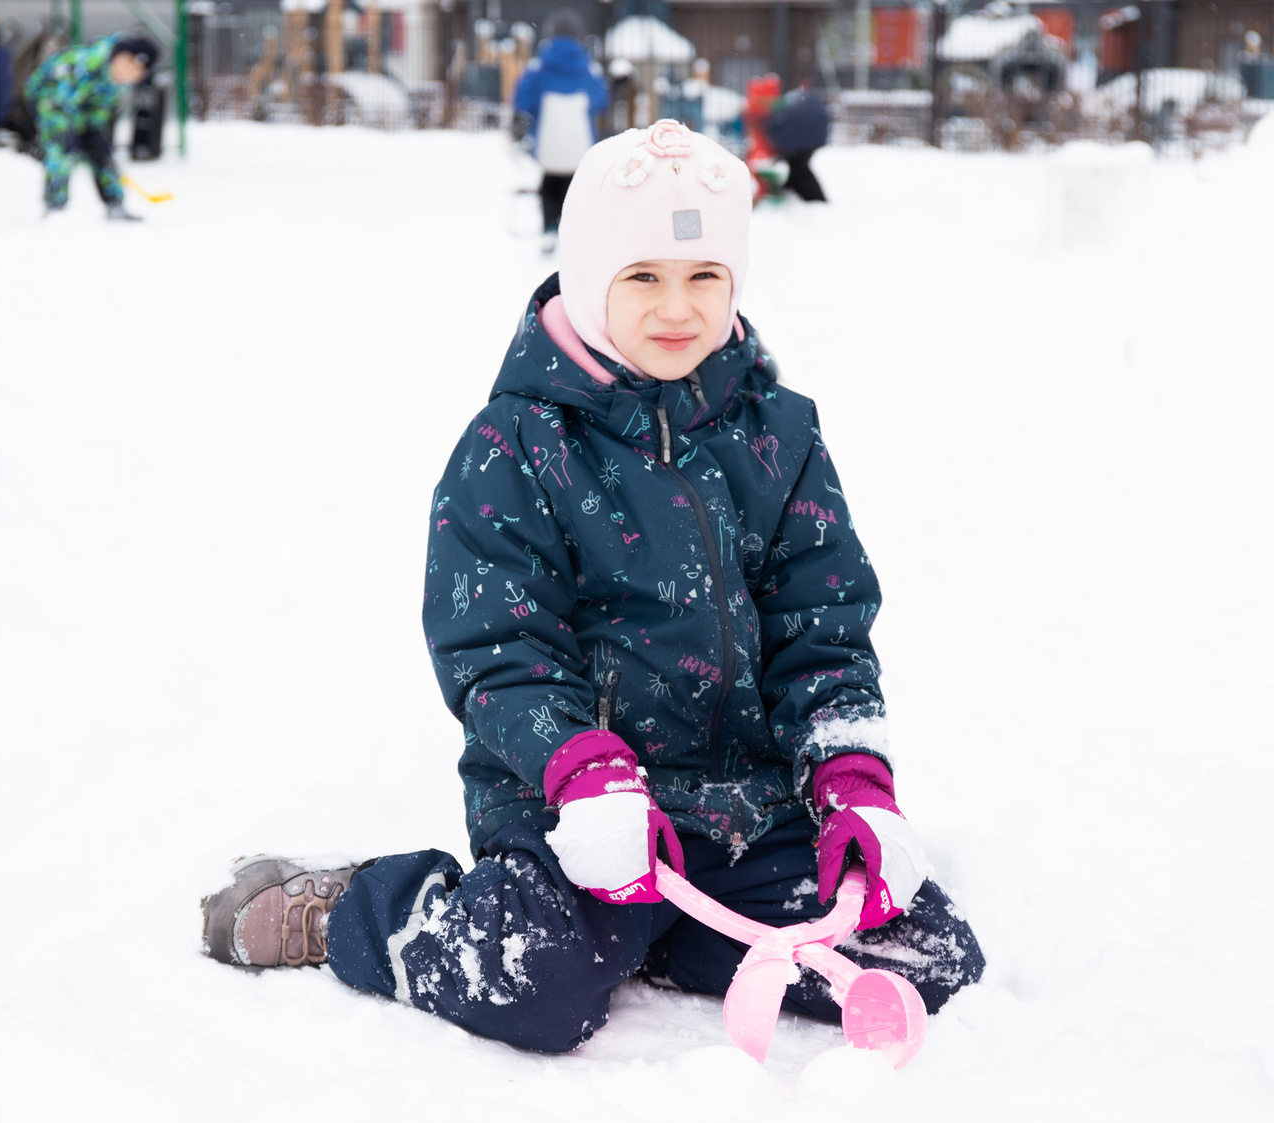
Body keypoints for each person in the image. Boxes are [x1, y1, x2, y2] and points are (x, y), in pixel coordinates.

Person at [202, 121, 985, 1056]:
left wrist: (851, 779)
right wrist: (583, 771)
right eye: (643, 276)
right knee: (534, 985)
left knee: (930, 956)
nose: (677, 307)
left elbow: (823, 623)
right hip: (579, 807)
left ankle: (692, 925)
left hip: (746, 806)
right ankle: (360, 910)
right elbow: (498, 644)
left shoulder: (778, 435)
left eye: (704, 277)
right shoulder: (516, 446)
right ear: (587, 277)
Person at [27, 33, 158, 219]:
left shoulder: (120, 82)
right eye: (127, 65)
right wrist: (75, 134)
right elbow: (60, 101)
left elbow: (100, 108)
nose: (127, 74)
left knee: (101, 150)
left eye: (135, 74)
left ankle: (115, 204)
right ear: (120, 55)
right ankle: (55, 206)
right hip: (50, 97)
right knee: (61, 146)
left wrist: (96, 132)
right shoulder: (85, 63)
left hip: (84, 104)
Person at [513, 10, 609, 251]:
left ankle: (548, 228)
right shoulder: (588, 68)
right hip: (580, 142)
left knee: (549, 183)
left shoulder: (539, 66)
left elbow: (523, 99)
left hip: (548, 140)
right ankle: (571, 229)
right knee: (574, 186)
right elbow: (600, 101)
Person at [765, 84, 832, 203]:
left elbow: (776, 130)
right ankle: (791, 188)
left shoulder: (782, 109)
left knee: (799, 168)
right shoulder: (796, 104)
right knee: (797, 166)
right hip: (811, 137)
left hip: (804, 140)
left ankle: (816, 200)